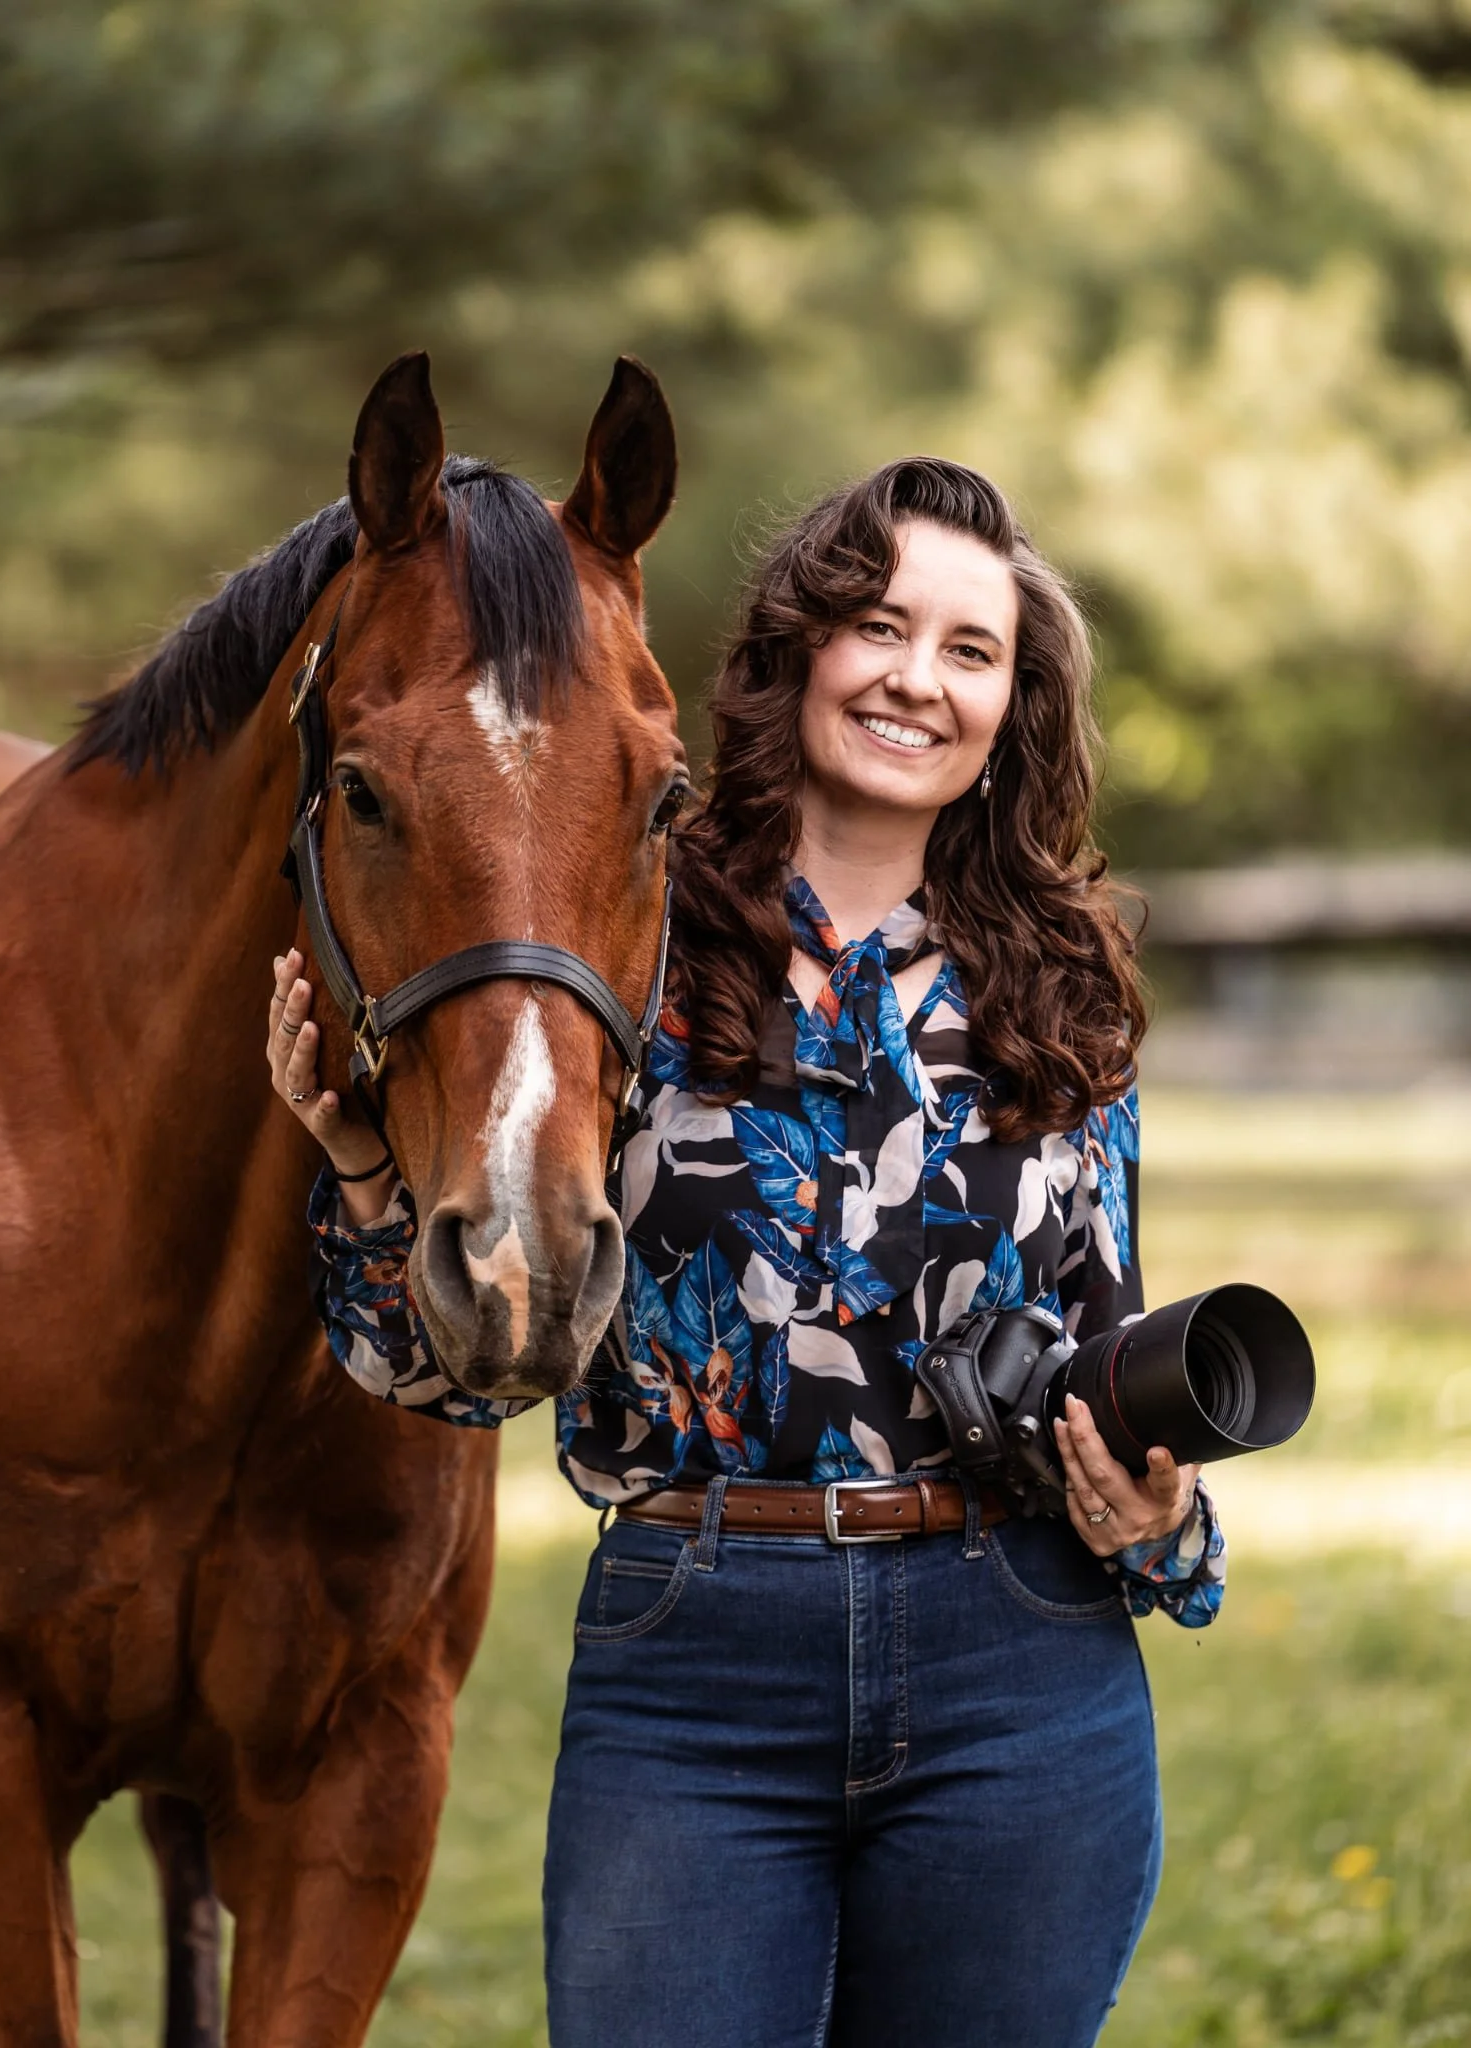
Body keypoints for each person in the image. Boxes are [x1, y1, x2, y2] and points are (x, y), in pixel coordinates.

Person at [266, 457, 1225, 2048]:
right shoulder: (621, 928)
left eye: (969, 650)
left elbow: (1100, 1346)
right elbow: (441, 1381)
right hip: (695, 1662)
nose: (918, 678)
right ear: (799, 650)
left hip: (1023, 1667)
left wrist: (1161, 1517)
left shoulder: (1064, 980)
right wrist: (367, 1166)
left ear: (1011, 707)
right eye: (878, 625)